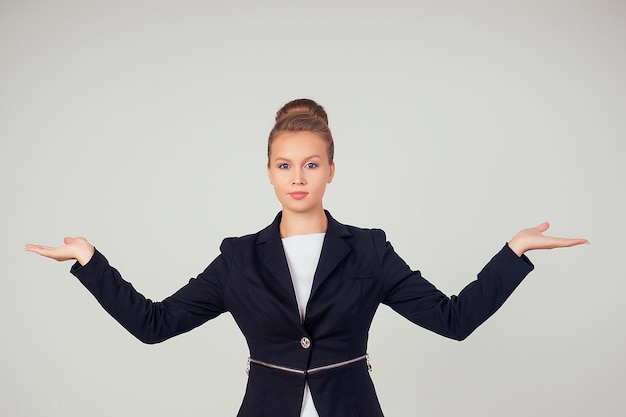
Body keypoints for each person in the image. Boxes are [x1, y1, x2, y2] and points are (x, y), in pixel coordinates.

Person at [25, 98, 588, 417]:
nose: (298, 177)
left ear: (332, 169)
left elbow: (453, 320)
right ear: (269, 172)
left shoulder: (369, 249)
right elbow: (154, 325)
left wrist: (514, 253)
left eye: (311, 164)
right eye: (284, 165)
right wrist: (89, 261)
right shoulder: (238, 259)